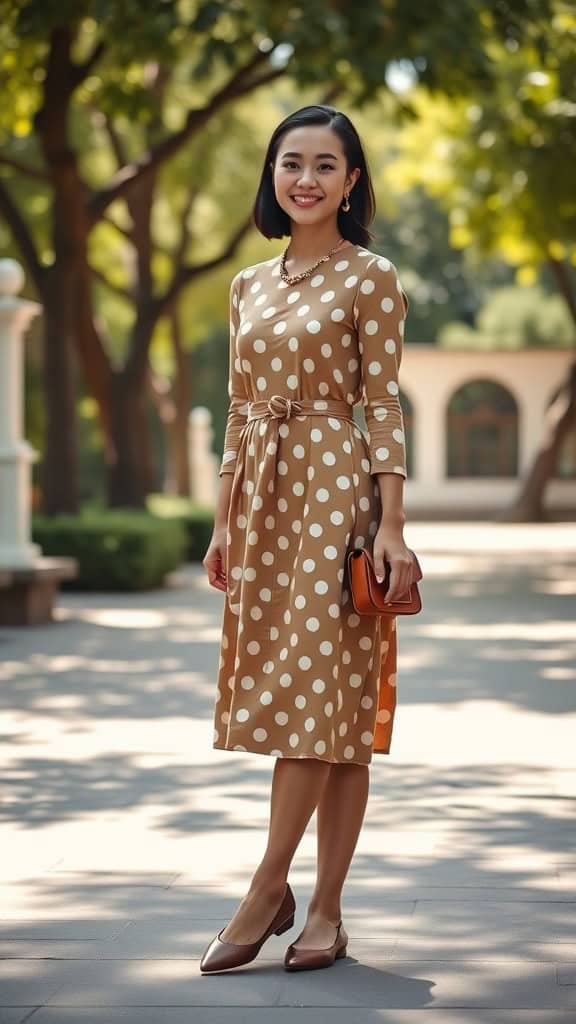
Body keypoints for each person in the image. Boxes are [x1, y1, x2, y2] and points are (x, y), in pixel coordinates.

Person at [201, 104, 413, 974]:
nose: (307, 179)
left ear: (352, 181)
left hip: (338, 493)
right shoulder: (248, 284)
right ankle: (315, 906)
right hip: (262, 501)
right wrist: (222, 517)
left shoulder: (372, 277)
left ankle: (276, 891)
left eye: (327, 165)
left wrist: (391, 522)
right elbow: (237, 406)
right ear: (273, 174)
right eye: (293, 162)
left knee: (331, 698)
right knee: (320, 709)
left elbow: (383, 403)